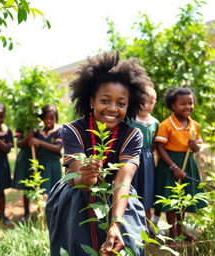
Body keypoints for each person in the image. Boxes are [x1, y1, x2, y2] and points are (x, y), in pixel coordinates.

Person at [46, 52, 153, 256]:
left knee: (128, 242)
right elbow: (78, 179)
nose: (113, 108)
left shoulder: (132, 135)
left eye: (121, 103)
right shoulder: (72, 130)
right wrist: (86, 176)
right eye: (105, 100)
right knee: (76, 245)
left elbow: (124, 180)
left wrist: (116, 224)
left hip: (118, 196)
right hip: (75, 195)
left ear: (129, 105)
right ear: (92, 100)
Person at [154, 86, 206, 243]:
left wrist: (193, 145)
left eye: (190, 103)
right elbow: (159, 147)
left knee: (184, 199)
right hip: (170, 164)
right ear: (173, 106)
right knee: (172, 200)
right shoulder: (166, 124)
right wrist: (173, 167)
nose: (188, 107)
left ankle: (182, 230)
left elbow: (197, 148)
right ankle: (173, 233)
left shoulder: (194, 125)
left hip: (187, 163)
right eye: (183, 104)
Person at [126, 86, 160, 233]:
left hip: (148, 160)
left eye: (151, 102)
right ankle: (132, 225)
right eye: (143, 101)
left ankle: (147, 227)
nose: (146, 106)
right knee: (133, 189)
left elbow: (155, 145)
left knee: (147, 191)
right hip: (131, 157)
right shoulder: (129, 120)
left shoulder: (155, 123)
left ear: (155, 103)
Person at [28, 105, 63, 194]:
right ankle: (41, 207)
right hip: (41, 164)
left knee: (54, 191)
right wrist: (33, 143)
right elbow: (36, 149)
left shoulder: (59, 130)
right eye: (46, 118)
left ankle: (53, 208)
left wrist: (39, 142)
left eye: (51, 118)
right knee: (42, 190)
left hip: (54, 165)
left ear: (56, 118)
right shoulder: (39, 131)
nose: (48, 121)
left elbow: (58, 148)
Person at [12, 128, 34, 220]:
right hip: (25, 159)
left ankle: (41, 211)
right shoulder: (22, 125)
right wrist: (28, 137)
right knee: (26, 186)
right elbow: (19, 144)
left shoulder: (41, 124)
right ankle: (26, 212)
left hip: (38, 157)